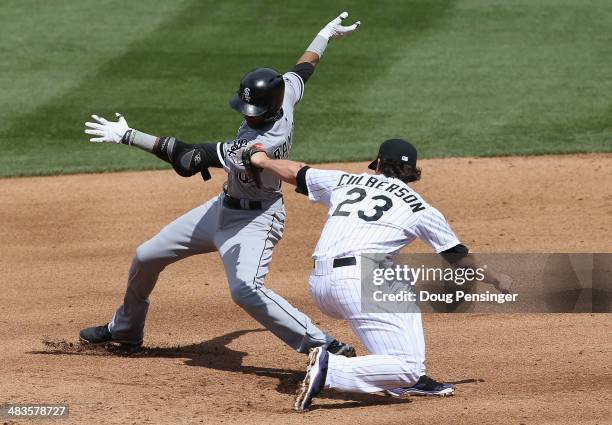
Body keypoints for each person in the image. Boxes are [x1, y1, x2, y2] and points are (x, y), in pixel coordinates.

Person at [79, 12, 361, 358]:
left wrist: (129, 136)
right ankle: (125, 329)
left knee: (245, 290)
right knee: (146, 256)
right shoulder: (284, 95)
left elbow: (188, 158)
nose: (247, 114)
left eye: (253, 110)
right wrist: (324, 35)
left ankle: (323, 346)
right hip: (221, 208)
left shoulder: (260, 144)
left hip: (256, 221)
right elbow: (304, 69)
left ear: (269, 109)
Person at [242, 139, 513, 411]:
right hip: (356, 285)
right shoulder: (420, 208)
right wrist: (496, 277)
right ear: (413, 172)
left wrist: (262, 161)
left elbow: (296, 171)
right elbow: (459, 258)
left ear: (379, 163)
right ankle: (333, 369)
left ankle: (407, 376)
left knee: (400, 279)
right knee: (405, 361)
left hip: (320, 286)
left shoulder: (345, 180)